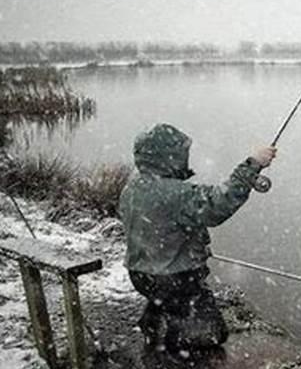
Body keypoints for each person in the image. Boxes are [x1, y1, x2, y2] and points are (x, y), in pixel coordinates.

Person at [118, 123, 276, 355]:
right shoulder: (177, 193)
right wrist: (253, 164)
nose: (185, 159)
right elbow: (218, 204)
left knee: (164, 298)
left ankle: (156, 322)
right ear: (167, 157)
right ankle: (175, 347)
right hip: (175, 280)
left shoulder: (131, 188)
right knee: (213, 335)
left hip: (140, 276)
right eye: (181, 154)